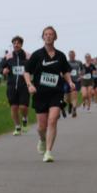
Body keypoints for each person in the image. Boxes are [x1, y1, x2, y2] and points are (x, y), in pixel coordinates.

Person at [23, 26, 77, 163]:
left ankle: (48, 152)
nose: (48, 36)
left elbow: (65, 71)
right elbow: (27, 71)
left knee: (52, 120)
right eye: (46, 34)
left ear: (55, 37)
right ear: (43, 37)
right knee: (41, 127)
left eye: (51, 34)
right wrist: (29, 85)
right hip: (40, 93)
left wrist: (70, 82)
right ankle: (42, 139)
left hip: (56, 92)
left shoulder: (60, 56)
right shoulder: (37, 55)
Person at [0, 37, 30, 135]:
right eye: (14, 43)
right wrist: (3, 70)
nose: (16, 45)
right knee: (14, 107)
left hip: (24, 86)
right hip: (11, 86)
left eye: (18, 43)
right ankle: (17, 127)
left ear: (21, 44)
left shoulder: (28, 56)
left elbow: (35, 67)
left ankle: (25, 118)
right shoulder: (8, 56)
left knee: (23, 107)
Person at [66, 50, 83, 118]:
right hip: (68, 81)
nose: (71, 56)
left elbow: (83, 70)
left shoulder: (79, 62)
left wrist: (81, 76)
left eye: (72, 55)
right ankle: (70, 104)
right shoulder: (66, 62)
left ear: (74, 55)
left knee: (74, 95)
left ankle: (74, 109)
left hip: (76, 81)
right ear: (69, 56)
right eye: (70, 55)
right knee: (67, 98)